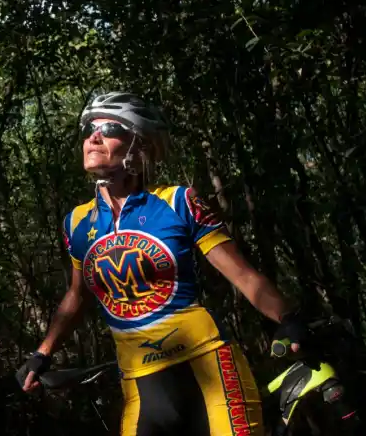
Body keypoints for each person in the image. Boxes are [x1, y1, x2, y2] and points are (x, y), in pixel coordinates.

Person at [17, 91, 307, 436]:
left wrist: (288, 319)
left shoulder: (177, 201)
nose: (93, 137)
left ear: (139, 146)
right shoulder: (77, 222)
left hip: (208, 366)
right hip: (140, 383)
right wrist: (43, 353)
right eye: (89, 130)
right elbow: (77, 296)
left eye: (108, 128)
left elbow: (242, 274)